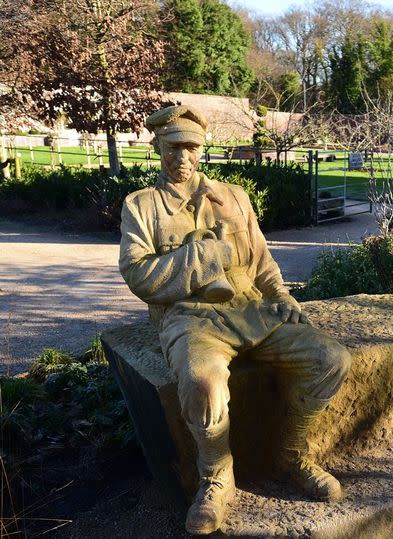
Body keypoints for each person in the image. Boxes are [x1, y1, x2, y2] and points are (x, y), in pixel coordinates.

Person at [118, 105, 351, 535]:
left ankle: (292, 455)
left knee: (330, 358)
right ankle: (216, 477)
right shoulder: (142, 207)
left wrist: (280, 294)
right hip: (190, 320)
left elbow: (262, 260)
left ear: (201, 150)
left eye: (191, 147)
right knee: (202, 383)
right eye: (173, 147)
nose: (183, 158)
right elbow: (140, 276)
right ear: (158, 147)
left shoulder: (234, 197)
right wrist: (207, 257)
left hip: (252, 311)